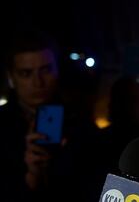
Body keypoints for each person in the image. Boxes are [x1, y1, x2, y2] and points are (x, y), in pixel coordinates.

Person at [0, 31, 103, 201]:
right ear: (11, 78)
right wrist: (31, 178)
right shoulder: (2, 125)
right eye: (26, 73)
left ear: (57, 70)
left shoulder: (80, 121)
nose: (38, 82)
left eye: (46, 70)